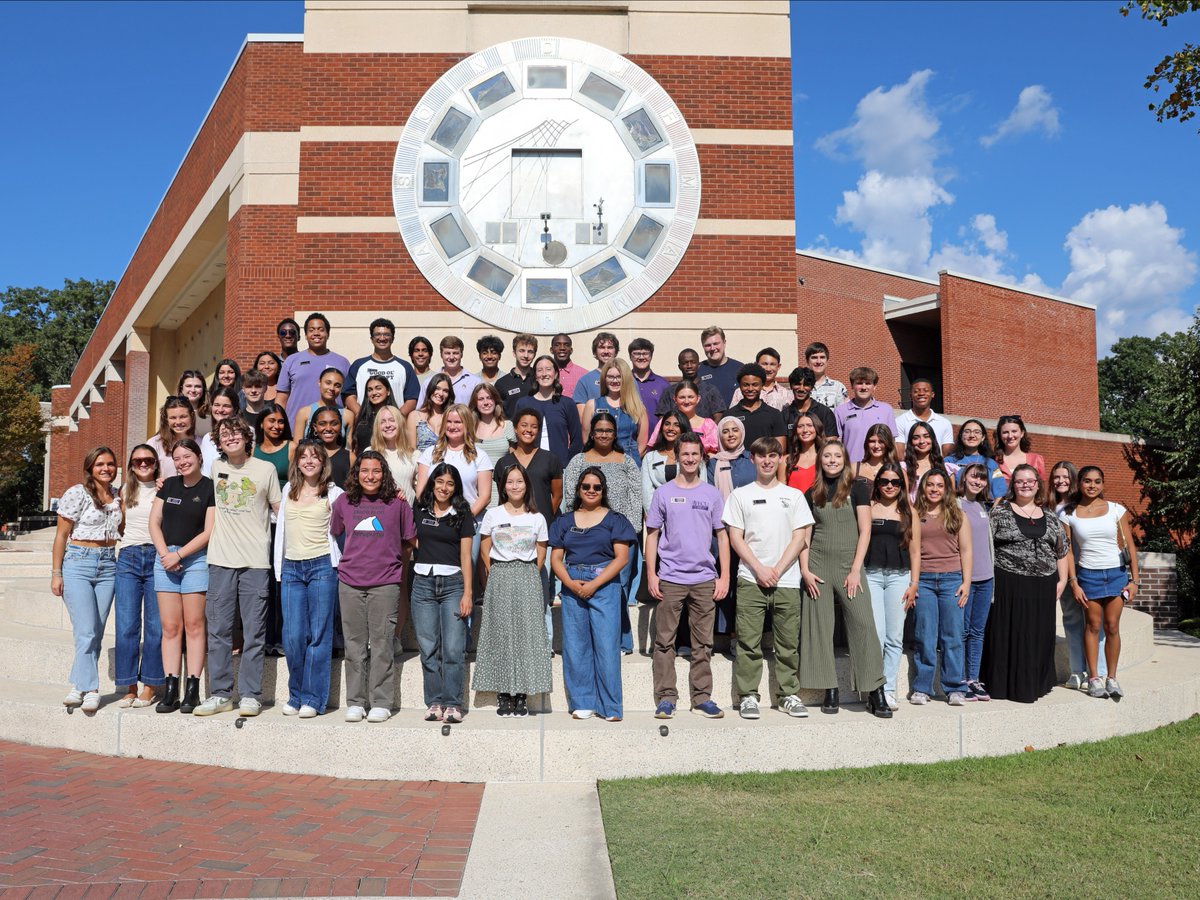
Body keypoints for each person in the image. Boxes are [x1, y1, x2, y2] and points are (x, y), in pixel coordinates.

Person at [192, 417, 282, 718]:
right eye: (225, 435)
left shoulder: (265, 470)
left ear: (247, 438)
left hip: (256, 562)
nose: (230, 438)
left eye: (236, 434)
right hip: (220, 560)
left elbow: (279, 511)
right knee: (218, 631)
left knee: (254, 633)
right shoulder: (214, 468)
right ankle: (220, 694)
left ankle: (250, 695)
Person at [723, 437, 814, 719]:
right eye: (761, 456)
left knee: (788, 643)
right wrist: (760, 569)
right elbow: (735, 538)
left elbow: (800, 537)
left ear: (779, 459)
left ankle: (788, 694)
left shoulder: (794, 496)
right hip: (751, 579)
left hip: (786, 580)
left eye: (772, 456)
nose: (767, 461)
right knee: (749, 642)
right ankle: (748, 696)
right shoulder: (740, 495)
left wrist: (778, 568)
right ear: (752, 459)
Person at [799, 440, 890, 717]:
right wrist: (805, 570)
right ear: (820, 460)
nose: (832, 460)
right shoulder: (810, 492)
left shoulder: (858, 487)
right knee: (820, 627)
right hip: (817, 566)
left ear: (844, 459)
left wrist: (854, 570)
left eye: (837, 455)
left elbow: (865, 531)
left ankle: (875, 691)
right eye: (827, 456)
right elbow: (804, 536)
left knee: (863, 624)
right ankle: (830, 689)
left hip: (850, 565)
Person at [646, 432, 729, 720]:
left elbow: (723, 536)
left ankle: (702, 697)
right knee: (664, 641)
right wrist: (652, 574)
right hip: (670, 577)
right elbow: (652, 535)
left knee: (703, 643)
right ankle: (666, 698)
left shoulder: (711, 494)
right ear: (677, 457)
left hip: (705, 579)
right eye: (685, 454)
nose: (690, 459)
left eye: (695, 454)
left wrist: (724, 576)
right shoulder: (663, 493)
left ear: (701, 457)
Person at [331, 451, 416, 723]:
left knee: (382, 644)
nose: (370, 476)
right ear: (356, 473)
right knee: (354, 645)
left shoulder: (398, 504)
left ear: (385, 474)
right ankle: (355, 701)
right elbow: (335, 534)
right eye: (364, 470)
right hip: (350, 582)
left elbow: (409, 541)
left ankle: (381, 701)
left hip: (386, 583)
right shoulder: (344, 502)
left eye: (376, 471)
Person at [549, 468, 636, 721]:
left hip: (605, 584)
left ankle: (610, 707)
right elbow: (556, 559)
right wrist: (572, 584)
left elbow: (621, 559)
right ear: (578, 489)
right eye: (586, 486)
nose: (591, 490)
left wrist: (594, 584)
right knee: (576, 646)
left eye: (596, 487)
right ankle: (582, 702)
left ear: (603, 490)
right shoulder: (564, 521)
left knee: (607, 646)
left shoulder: (616, 520)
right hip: (572, 581)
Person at [981, 464, 1069, 703]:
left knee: (1037, 635)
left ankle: (1034, 684)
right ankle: (1003, 685)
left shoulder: (1050, 516)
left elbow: (1062, 550)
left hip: (1043, 585)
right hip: (1008, 582)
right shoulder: (1000, 512)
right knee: (1008, 634)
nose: (1025, 485)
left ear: (1038, 484)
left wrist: (1063, 580)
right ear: (1013, 485)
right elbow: (986, 547)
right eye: (1020, 481)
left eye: (1030, 480)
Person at [474, 464, 553, 717]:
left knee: (526, 634)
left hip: (527, 575)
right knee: (501, 633)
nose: (515, 486)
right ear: (503, 487)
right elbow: (485, 551)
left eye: (519, 481)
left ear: (526, 485)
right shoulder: (493, 515)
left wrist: (526, 571)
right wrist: (498, 572)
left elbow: (541, 552)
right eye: (510, 482)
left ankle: (521, 693)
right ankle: (504, 692)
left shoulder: (536, 518)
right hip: (500, 575)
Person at [562, 411, 643, 654]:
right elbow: (569, 497)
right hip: (585, 537)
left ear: (615, 433)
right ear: (592, 433)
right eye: (599, 430)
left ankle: (622, 641)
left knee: (618, 588)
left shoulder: (627, 461)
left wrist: (628, 532)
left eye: (609, 430)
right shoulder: (578, 460)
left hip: (619, 537)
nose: (604, 434)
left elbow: (636, 498)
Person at [273, 439, 343, 717]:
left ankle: (313, 699)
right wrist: (278, 568)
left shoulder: (335, 494)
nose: (309, 461)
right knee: (292, 635)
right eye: (304, 456)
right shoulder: (288, 489)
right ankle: (296, 694)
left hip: (322, 567)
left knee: (318, 635)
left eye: (315, 456)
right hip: (291, 567)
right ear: (297, 462)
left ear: (323, 462)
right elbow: (281, 532)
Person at [51, 447, 122, 713]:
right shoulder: (76, 493)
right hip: (78, 562)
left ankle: (77, 685)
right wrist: (56, 573)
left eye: (110, 464)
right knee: (87, 630)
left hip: (108, 564)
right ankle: (91, 689)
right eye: (100, 464)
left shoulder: (118, 496)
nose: (106, 468)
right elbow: (61, 536)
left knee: (96, 631)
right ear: (90, 467)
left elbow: (122, 528)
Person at [148, 439, 215, 713]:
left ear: (199, 457)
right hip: (165, 559)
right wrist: (166, 554)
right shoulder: (169, 485)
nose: (182, 461)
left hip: (195, 559)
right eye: (177, 458)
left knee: (195, 625)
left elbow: (209, 531)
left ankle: (192, 689)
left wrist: (180, 555)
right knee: (171, 628)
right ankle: (171, 689)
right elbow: (154, 522)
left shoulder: (210, 487)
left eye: (187, 456)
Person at [1061, 466, 1138, 700]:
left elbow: (1130, 546)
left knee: (1112, 626)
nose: (1092, 485)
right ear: (1080, 484)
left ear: (1103, 484)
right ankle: (1093, 678)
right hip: (1088, 576)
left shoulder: (1116, 510)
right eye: (1087, 481)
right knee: (1092, 626)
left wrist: (1135, 580)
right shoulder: (1068, 513)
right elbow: (1068, 552)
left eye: (1097, 481)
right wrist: (1074, 582)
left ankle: (1111, 678)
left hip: (1116, 574)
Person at [410, 463, 476, 723]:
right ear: (432, 483)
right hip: (423, 584)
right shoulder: (419, 509)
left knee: (453, 648)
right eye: (439, 482)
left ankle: (452, 704)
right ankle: (434, 702)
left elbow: (465, 556)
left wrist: (468, 593)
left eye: (449, 483)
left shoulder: (462, 513)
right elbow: (411, 540)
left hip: (453, 585)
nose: (443, 488)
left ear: (455, 487)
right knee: (428, 647)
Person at [909, 469, 972, 706]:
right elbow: (912, 550)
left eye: (939, 485)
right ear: (923, 488)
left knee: (952, 636)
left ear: (946, 489)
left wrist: (966, 582)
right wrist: (914, 583)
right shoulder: (915, 514)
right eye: (930, 485)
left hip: (951, 580)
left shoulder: (957, 514)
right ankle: (922, 688)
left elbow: (966, 550)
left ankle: (955, 687)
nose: (935, 489)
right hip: (923, 580)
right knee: (925, 635)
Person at [863, 463, 920, 712]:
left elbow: (916, 552)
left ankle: (889, 690)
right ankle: (874, 689)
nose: (889, 486)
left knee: (894, 637)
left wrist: (914, 583)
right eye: (885, 481)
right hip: (871, 575)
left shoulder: (910, 512)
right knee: (876, 635)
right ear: (878, 483)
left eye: (895, 482)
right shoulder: (868, 508)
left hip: (900, 577)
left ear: (902, 486)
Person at [114, 445, 165, 708]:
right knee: (126, 626)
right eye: (137, 461)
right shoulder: (124, 491)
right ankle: (129, 685)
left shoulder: (165, 488)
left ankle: (150, 685)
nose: (143, 464)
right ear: (131, 465)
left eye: (148, 460)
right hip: (129, 557)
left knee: (155, 627)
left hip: (157, 557)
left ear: (156, 463)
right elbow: (119, 524)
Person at [1049, 460, 1103, 689]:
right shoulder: (1048, 507)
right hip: (1059, 570)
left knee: (1093, 622)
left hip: (1086, 568)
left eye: (1065, 477)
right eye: (1056, 477)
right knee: (1071, 619)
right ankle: (1076, 671)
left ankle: (1096, 672)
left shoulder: (1081, 505)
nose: (1061, 481)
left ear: (1074, 480)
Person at [707, 416, 755, 640]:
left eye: (735, 430)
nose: (731, 434)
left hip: (752, 533)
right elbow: (710, 497)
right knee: (726, 580)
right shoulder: (713, 463)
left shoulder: (752, 460)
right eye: (725, 431)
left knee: (747, 583)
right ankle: (729, 633)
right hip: (722, 532)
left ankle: (748, 633)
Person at [415, 405, 494, 530]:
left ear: (467, 424)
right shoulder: (430, 453)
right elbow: (421, 492)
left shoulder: (480, 456)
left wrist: (464, 520)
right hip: (434, 522)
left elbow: (485, 496)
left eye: (457, 422)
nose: (452, 426)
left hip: (468, 523)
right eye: (449, 422)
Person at [958, 463, 996, 701]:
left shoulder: (984, 506)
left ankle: (974, 678)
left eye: (982, 479)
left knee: (978, 631)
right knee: (961, 631)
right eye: (974, 476)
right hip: (965, 579)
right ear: (964, 478)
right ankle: (960, 679)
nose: (978, 481)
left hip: (986, 578)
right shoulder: (954, 504)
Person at [276, 313, 350, 431]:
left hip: (331, 430)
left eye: (321, 330)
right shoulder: (292, 360)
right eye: (311, 330)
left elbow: (348, 398)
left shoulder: (342, 362)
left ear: (328, 334)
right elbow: (281, 398)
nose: (316, 333)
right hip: (296, 429)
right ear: (305, 335)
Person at [515, 355, 582, 468]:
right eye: (540, 370)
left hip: (560, 468)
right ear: (535, 375)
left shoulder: (567, 403)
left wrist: (568, 463)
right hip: (529, 467)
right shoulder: (523, 403)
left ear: (555, 374)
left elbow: (577, 439)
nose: (544, 374)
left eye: (548, 369)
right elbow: (515, 436)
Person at [344, 318, 419, 418]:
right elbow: (348, 394)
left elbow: (412, 398)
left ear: (393, 338)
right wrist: (361, 415)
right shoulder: (358, 365)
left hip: (394, 427)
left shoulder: (405, 367)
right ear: (371, 338)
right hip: (366, 425)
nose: (382, 338)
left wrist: (396, 418)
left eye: (387, 334)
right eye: (377, 334)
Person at [582, 358, 649, 466]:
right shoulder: (592, 405)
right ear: (604, 378)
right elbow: (586, 440)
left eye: (619, 377)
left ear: (626, 379)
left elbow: (642, 444)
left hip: (629, 465)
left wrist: (626, 463)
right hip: (599, 465)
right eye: (610, 377)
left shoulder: (638, 407)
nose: (614, 381)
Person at [835, 367, 900, 464]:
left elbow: (892, 442)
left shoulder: (886, 410)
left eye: (868, 383)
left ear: (874, 387)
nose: (864, 387)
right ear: (852, 385)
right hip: (851, 468)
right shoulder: (840, 411)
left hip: (881, 468)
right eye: (859, 383)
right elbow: (837, 444)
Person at [470, 382, 515, 509]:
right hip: (475, 495)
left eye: (489, 398)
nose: (486, 402)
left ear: (495, 400)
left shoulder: (507, 426)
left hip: (502, 493)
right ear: (475, 403)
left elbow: (514, 462)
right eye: (481, 399)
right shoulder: (469, 429)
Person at [641, 411, 699, 510]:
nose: (670, 428)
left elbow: (700, 490)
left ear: (683, 428)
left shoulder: (694, 456)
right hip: (658, 514)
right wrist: (654, 517)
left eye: (676, 425)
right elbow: (646, 493)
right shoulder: (650, 457)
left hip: (688, 513)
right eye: (667, 424)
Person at [722, 363, 786, 451]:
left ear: (762, 385)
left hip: (765, 463)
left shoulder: (774, 415)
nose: (750, 389)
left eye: (755, 385)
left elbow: (780, 450)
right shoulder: (729, 416)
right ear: (740, 386)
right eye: (746, 385)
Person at [649, 380, 719, 454]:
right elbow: (655, 448)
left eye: (690, 397)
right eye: (682, 397)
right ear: (675, 399)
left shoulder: (709, 425)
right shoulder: (666, 422)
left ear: (698, 399)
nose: (686, 401)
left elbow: (713, 454)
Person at [655, 349, 726, 421]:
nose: (689, 366)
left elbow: (718, 418)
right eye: (685, 363)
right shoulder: (670, 391)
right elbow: (662, 419)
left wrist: (709, 431)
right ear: (679, 367)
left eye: (693, 362)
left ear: (698, 365)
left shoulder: (711, 390)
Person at [294, 367, 354, 447]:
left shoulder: (348, 415)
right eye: (328, 383)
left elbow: (349, 448)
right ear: (319, 382)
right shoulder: (304, 412)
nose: (332, 388)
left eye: (337, 385)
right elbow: (297, 446)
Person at [945, 418, 1006, 497]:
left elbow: (1000, 494)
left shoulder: (991, 463)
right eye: (967, 432)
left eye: (977, 432)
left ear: (983, 437)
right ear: (961, 435)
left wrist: (993, 509)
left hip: (986, 508)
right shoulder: (949, 461)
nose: (972, 435)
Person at [901, 421, 959, 503]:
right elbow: (904, 497)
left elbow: (951, 499)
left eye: (926, 436)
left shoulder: (947, 468)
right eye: (916, 438)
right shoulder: (904, 468)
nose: (921, 441)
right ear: (911, 441)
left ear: (933, 439)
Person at [371, 405, 418, 505]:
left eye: (392, 420)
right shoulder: (370, 453)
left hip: (407, 512)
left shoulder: (414, 455)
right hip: (378, 511)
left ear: (400, 423)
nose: (388, 425)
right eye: (382, 422)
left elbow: (420, 489)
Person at [895, 378, 954, 457]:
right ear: (910, 396)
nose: (921, 393)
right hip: (910, 467)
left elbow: (947, 456)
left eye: (926, 390)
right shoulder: (899, 421)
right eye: (916, 391)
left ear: (932, 394)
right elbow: (900, 455)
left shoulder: (944, 422)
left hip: (937, 467)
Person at [417, 335, 481, 405]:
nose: (451, 357)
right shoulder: (428, 382)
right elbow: (421, 411)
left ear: (461, 355)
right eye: (447, 353)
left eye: (455, 353)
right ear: (441, 355)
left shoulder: (475, 382)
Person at [147, 395, 197, 479]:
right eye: (173, 418)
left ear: (191, 416)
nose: (178, 422)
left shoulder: (202, 443)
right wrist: (155, 482)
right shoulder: (154, 444)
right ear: (166, 419)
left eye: (183, 417)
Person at [572, 331, 620, 416]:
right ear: (595, 352)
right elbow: (582, 417)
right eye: (602, 347)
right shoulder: (585, 381)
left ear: (615, 352)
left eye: (610, 347)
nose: (606, 351)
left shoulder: (627, 378)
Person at [781, 366, 838, 438]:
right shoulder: (784, 415)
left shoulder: (824, 413)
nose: (801, 389)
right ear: (791, 385)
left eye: (806, 385)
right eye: (797, 384)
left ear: (812, 387)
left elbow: (831, 444)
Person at [994, 414, 1047, 489]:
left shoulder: (1036, 459)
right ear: (1000, 435)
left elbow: (1042, 489)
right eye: (1005, 432)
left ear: (1022, 433)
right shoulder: (993, 461)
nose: (1010, 436)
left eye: (1014, 431)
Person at [351, 375, 398, 456]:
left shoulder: (396, 416)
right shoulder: (361, 417)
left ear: (388, 391)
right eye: (370, 390)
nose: (374, 393)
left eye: (378, 388)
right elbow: (355, 447)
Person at [199, 387, 240, 476]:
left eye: (226, 406)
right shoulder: (207, 439)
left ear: (235, 409)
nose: (220, 409)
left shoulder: (243, 436)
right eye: (217, 405)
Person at [495, 333, 538, 418]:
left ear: (534, 355)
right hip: (511, 431)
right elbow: (498, 415)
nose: (526, 355)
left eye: (530, 352)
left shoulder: (540, 379)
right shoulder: (501, 383)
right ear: (514, 353)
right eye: (521, 351)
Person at [697, 325, 742, 406]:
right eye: (708, 345)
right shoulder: (698, 370)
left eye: (716, 343)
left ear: (724, 343)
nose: (712, 348)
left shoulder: (739, 368)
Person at [408, 372, 452, 454]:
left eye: (445, 391)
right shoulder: (414, 416)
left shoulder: (450, 416)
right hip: (421, 464)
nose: (441, 394)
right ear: (431, 389)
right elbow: (411, 450)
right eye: (437, 388)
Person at [253, 402, 293, 489]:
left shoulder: (291, 447)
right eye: (271, 421)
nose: (277, 426)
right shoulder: (253, 451)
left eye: (281, 422)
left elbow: (296, 481)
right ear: (261, 424)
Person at [310, 407, 353, 488]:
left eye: (334, 423)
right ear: (315, 427)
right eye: (322, 424)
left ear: (340, 426)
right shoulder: (306, 454)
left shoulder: (350, 456)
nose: (328, 428)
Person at [628, 337, 670, 419]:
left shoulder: (663, 385)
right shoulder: (623, 382)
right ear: (630, 356)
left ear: (651, 356)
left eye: (645, 353)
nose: (641, 357)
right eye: (636, 353)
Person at [785, 412, 824, 493]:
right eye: (800, 426)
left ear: (817, 428)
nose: (805, 430)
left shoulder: (825, 458)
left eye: (810, 425)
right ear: (795, 430)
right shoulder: (786, 460)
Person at [804, 342, 847, 409]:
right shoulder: (800, 387)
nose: (818, 361)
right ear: (807, 361)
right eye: (814, 357)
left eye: (822, 357)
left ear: (827, 361)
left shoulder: (838, 387)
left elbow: (844, 415)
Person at [549, 333, 588, 399]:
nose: (562, 348)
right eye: (557, 345)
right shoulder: (545, 374)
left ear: (571, 350)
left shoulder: (584, 375)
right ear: (551, 350)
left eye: (566, 345)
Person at [177, 370, 211, 439]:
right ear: (181, 389)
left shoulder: (211, 414)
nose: (193, 390)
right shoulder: (172, 412)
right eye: (188, 386)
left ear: (203, 389)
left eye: (198, 386)